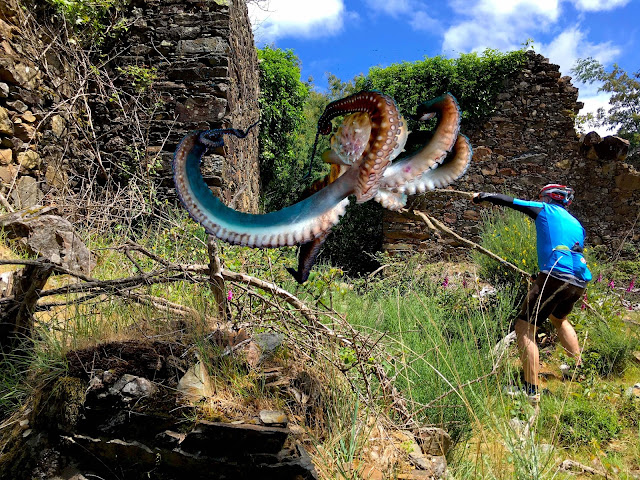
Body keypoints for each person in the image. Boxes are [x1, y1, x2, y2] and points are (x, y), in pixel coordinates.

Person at [472, 184, 592, 402]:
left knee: (525, 327)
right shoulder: (577, 223)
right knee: (559, 319)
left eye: (541, 197)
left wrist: (483, 196)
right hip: (579, 281)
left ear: (547, 197)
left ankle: (531, 390)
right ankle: (578, 373)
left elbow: (512, 202)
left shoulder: (546, 209)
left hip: (555, 275)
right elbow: (568, 249)